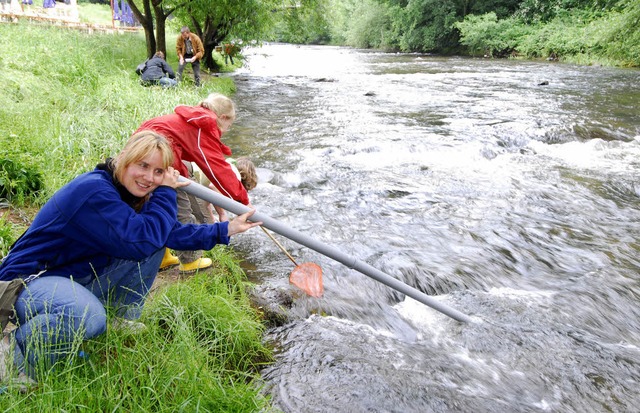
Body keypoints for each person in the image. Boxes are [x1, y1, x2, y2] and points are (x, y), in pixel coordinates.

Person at [0, 130, 261, 383]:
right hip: (26, 284)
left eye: (159, 171)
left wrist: (225, 229)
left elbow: (167, 233)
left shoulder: (127, 192)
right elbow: (140, 240)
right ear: (124, 158)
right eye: (143, 166)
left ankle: (119, 318)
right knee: (89, 316)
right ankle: (14, 356)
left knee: (153, 239)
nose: (149, 177)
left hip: (71, 275)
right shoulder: (94, 192)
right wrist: (166, 191)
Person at [136, 93, 251, 273]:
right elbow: (217, 169)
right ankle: (189, 260)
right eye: (229, 125)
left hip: (143, 157)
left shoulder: (194, 118)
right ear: (223, 117)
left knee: (157, 206)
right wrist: (244, 203)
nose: (227, 130)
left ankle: (162, 257)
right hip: (157, 160)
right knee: (180, 209)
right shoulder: (203, 126)